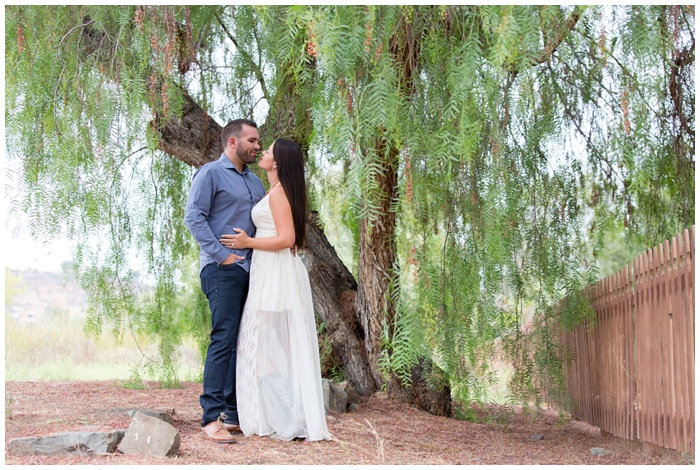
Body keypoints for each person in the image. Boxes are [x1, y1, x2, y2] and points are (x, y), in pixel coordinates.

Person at [220, 138, 331, 442]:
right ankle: (277, 414)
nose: (263, 153)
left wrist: (248, 243)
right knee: (263, 345)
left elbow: (287, 238)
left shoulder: (279, 194)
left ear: (278, 162)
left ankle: (285, 417)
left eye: (267, 151)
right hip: (267, 272)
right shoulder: (274, 191)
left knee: (263, 346)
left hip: (274, 274)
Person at [185, 119, 265, 443]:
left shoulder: (256, 183)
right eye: (252, 140)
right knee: (223, 339)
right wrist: (222, 255)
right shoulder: (210, 173)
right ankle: (210, 417)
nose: (257, 146)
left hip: (252, 272)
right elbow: (194, 216)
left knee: (240, 340)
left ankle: (233, 415)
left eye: (259, 142)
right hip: (223, 269)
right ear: (233, 142)